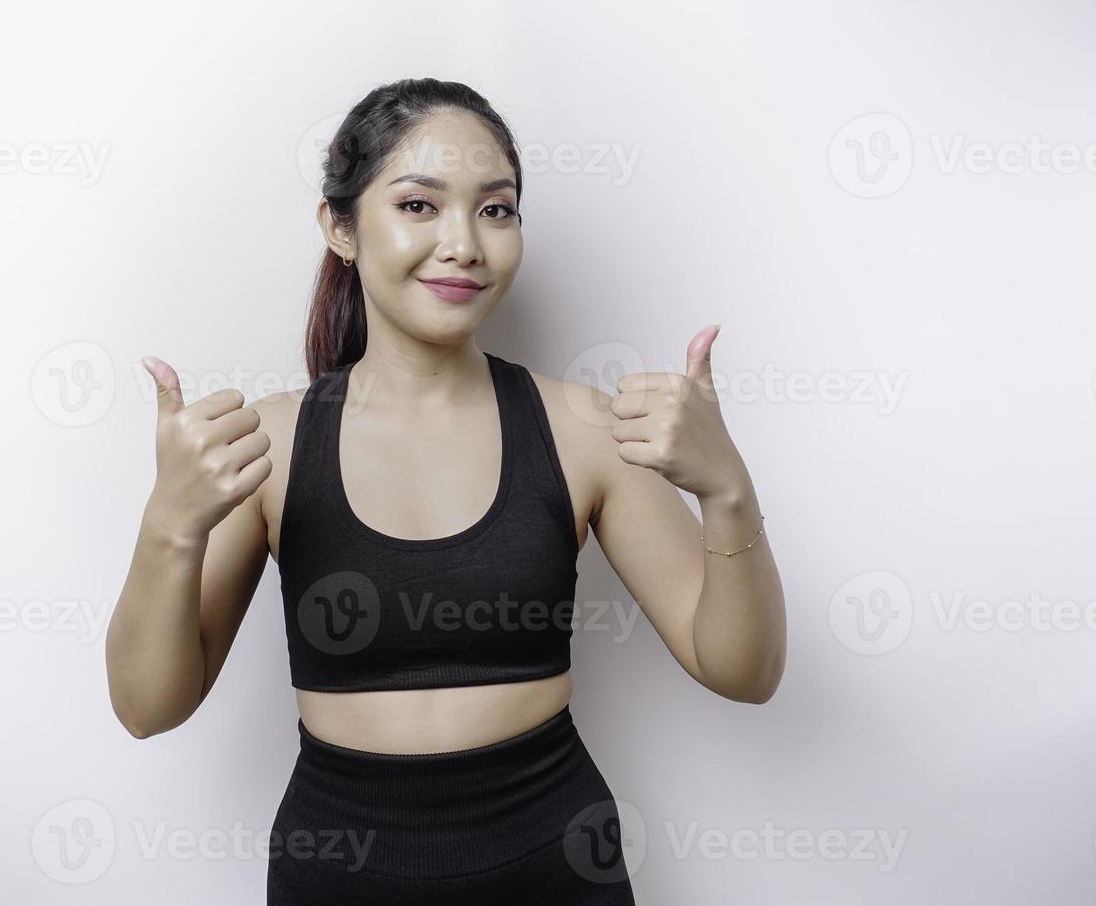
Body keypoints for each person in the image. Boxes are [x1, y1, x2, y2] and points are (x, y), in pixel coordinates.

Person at [105, 77, 786, 903]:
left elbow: (743, 672)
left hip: (555, 867)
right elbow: (147, 709)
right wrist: (168, 528)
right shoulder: (269, 445)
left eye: (495, 210)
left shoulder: (586, 429)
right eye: (420, 206)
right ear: (341, 227)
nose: (464, 242)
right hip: (337, 876)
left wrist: (729, 493)